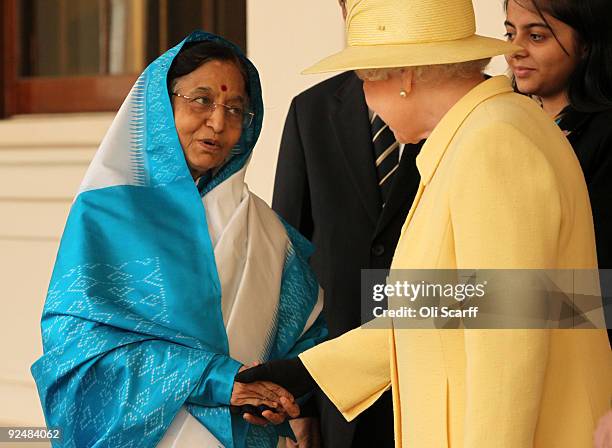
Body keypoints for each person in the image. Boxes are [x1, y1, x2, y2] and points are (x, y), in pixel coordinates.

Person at [237, 0, 612, 446]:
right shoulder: (484, 132)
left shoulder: (494, 142)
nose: (364, 98)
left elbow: (508, 349)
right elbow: (466, 305)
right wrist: (307, 372)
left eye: (364, 81)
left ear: (404, 76)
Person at [30, 31, 326, 448]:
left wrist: (279, 394)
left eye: (236, 109)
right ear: (159, 104)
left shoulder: (268, 231)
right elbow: (77, 356)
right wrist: (217, 381)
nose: (219, 122)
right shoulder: (107, 216)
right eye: (201, 100)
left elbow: (304, 345)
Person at [272, 0, 421, 445]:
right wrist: (299, 397)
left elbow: (551, 298)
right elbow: (289, 261)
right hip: (338, 387)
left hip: (436, 372)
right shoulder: (310, 110)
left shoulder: (476, 113)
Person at [504, 0, 612, 343]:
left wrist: (439, 303)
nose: (514, 51)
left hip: (580, 352)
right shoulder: (496, 117)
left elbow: (593, 293)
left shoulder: (606, 133)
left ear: (586, 44)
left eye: (536, 36)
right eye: (509, 33)